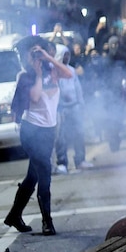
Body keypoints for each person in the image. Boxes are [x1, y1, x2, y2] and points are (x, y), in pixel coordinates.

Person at [4, 38, 74, 235]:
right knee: (44, 173)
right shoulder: (25, 76)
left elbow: (68, 74)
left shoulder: (53, 71)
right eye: (32, 53)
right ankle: (47, 222)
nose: (36, 56)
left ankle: (14, 215)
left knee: (32, 176)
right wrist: (37, 72)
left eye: (38, 51)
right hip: (31, 131)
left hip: (48, 131)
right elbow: (34, 97)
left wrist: (47, 58)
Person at [53, 44, 92, 174]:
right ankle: (62, 162)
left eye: (67, 55)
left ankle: (80, 160)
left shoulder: (71, 70)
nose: (66, 58)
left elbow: (78, 89)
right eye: (64, 55)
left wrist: (81, 104)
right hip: (61, 109)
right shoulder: (55, 72)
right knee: (61, 137)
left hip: (74, 106)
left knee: (79, 133)